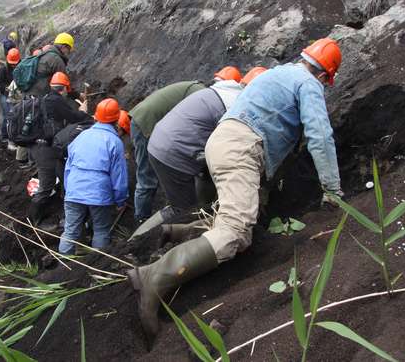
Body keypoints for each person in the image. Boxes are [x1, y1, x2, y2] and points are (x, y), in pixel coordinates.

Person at [127, 39, 344, 346]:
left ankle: (150, 265)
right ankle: (155, 279)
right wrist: (332, 190)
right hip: (242, 147)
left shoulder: (276, 73)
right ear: (325, 76)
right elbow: (320, 136)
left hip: (221, 141)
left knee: (233, 214)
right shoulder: (308, 83)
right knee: (234, 234)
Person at [132, 66, 245, 237]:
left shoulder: (206, 94)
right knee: (184, 210)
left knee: (182, 200)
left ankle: (139, 233)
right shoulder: (228, 103)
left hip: (160, 140)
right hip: (172, 149)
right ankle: (141, 240)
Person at [128, 79, 207, 224]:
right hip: (146, 123)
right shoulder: (202, 94)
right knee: (147, 178)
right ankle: (141, 221)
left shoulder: (194, 89)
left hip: (145, 120)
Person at [58, 98, 128, 254]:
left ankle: (62, 268)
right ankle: (97, 268)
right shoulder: (115, 142)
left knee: (70, 232)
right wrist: (120, 199)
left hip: (74, 190)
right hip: (99, 193)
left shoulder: (82, 136)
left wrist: (69, 190)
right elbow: (119, 177)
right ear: (116, 119)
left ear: (96, 116)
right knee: (101, 231)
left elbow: (68, 167)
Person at [28, 72, 92, 224]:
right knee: (47, 185)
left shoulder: (47, 98)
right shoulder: (56, 101)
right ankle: (32, 221)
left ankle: (64, 214)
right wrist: (83, 111)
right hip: (46, 149)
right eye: (66, 90)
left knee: (64, 179)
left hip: (41, 146)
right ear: (63, 89)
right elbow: (74, 118)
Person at [24, 32, 74, 97]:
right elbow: (64, 83)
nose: (68, 53)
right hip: (39, 97)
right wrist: (77, 95)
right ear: (64, 46)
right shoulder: (56, 60)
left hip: (29, 94)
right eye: (69, 49)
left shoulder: (46, 52)